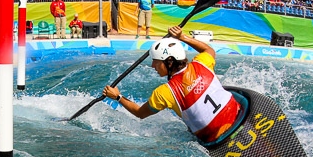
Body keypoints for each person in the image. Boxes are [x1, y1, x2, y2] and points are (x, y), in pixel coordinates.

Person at [103, 25, 244, 145]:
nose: (153, 66)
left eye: (156, 61)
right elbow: (209, 50)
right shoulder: (202, 63)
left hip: (214, 140)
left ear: (169, 62)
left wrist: (118, 96)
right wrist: (183, 37)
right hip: (238, 117)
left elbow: (140, 113)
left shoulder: (165, 92)